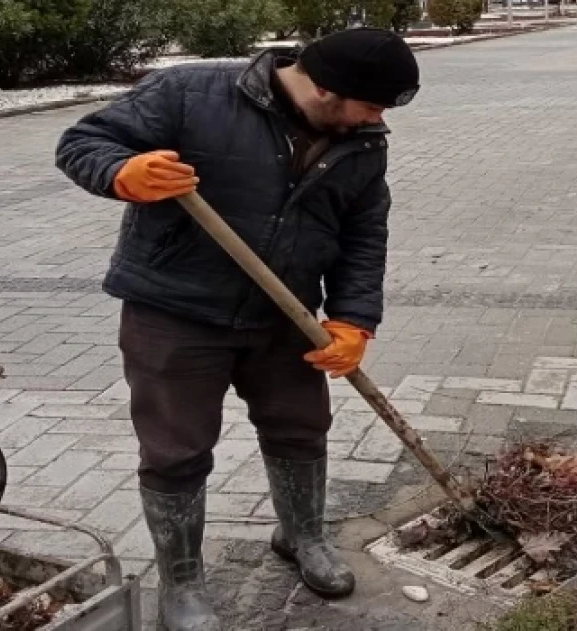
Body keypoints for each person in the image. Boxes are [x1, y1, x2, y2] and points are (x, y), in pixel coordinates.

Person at [54, 27, 420, 630]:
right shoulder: (192, 93)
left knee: (301, 430)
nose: (378, 119)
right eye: (373, 104)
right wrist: (121, 171)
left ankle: (303, 537)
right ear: (327, 87)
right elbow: (84, 141)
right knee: (176, 450)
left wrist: (355, 319)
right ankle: (182, 582)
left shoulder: (362, 139)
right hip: (175, 312)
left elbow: (363, 230)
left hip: (287, 317)